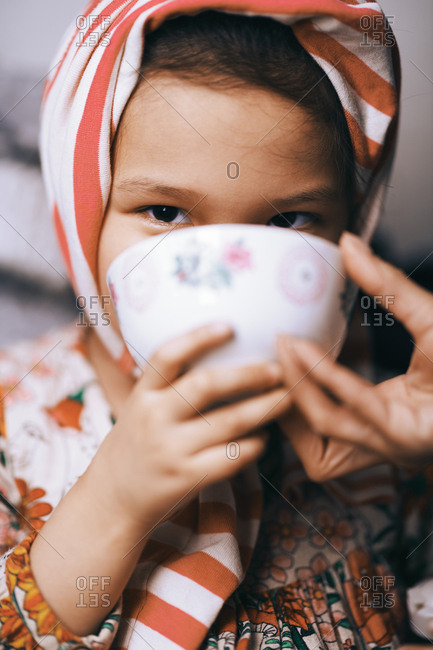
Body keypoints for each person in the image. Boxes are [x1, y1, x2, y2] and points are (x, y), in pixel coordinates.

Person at [0, 1, 431, 649]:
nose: (228, 269)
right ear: (82, 211)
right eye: (165, 212)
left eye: (287, 222)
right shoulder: (13, 416)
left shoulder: (382, 420)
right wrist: (111, 503)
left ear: (353, 229)